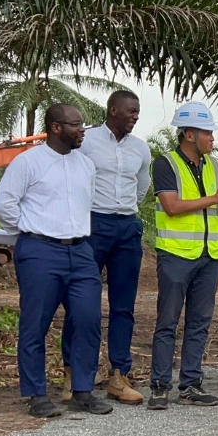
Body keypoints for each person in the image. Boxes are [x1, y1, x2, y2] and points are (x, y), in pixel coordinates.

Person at [0, 103, 112, 418]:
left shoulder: (85, 165)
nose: (82, 130)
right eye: (76, 124)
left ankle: (82, 391)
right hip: (40, 252)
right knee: (35, 324)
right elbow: (3, 204)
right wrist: (31, 229)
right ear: (56, 128)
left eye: (82, 124)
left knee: (87, 320)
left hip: (81, 251)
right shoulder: (28, 162)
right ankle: (36, 394)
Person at [148, 101, 218, 410]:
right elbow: (172, 207)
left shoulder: (214, 165)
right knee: (168, 321)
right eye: (208, 133)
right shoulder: (165, 163)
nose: (213, 139)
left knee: (199, 321)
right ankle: (159, 386)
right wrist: (217, 197)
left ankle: (190, 384)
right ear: (189, 134)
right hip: (176, 255)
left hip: (209, 255)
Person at [61, 90, 152, 406]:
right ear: (112, 110)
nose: (135, 116)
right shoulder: (87, 141)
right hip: (91, 226)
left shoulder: (141, 149)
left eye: (137, 112)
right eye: (130, 111)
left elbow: (141, 188)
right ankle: (72, 374)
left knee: (123, 306)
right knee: (81, 304)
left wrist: (124, 212)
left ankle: (118, 375)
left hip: (127, 227)